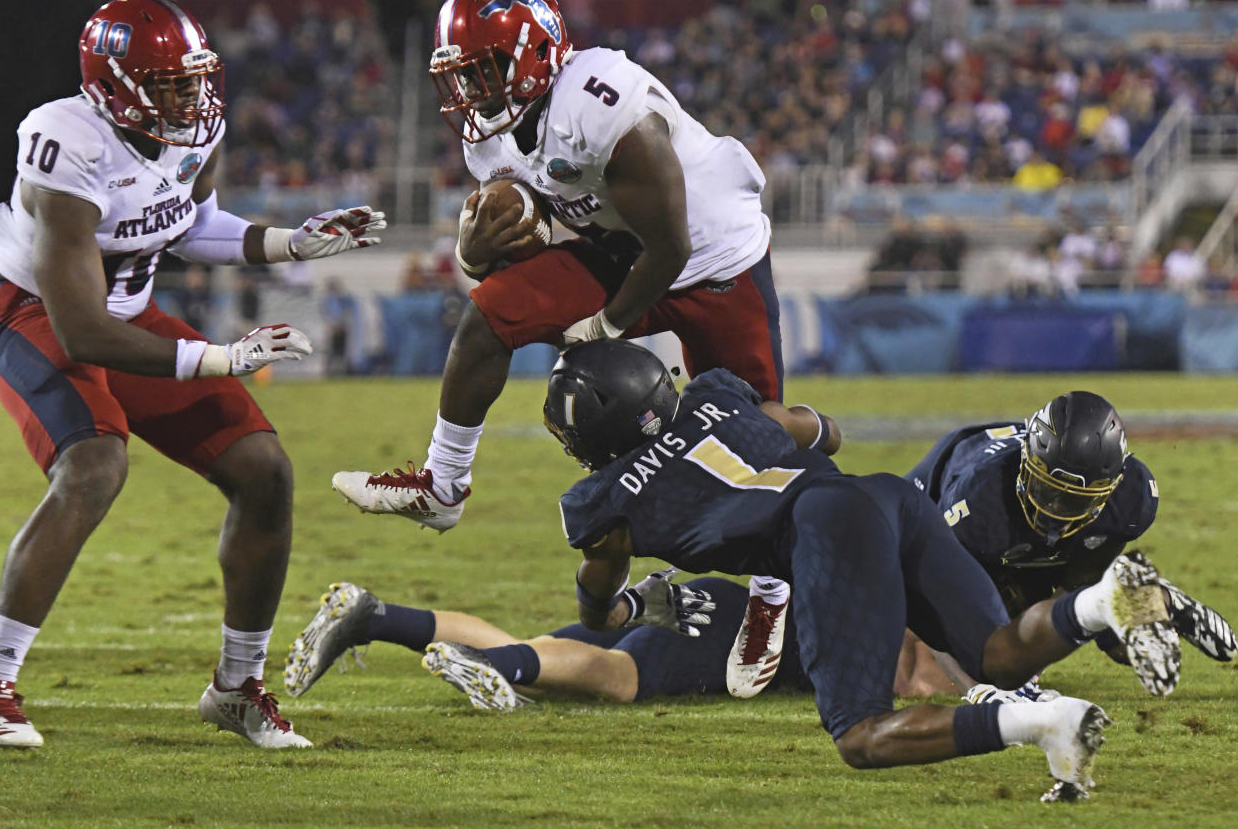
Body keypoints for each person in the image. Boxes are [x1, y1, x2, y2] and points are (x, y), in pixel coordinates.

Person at [331, 0, 797, 697]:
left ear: (534, 55)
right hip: (615, 247)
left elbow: (668, 245)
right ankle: (443, 482)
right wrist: (474, 251)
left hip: (709, 261)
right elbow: (522, 233)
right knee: (489, 314)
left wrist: (604, 326)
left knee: (762, 435)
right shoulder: (489, 133)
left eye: (483, 71)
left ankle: (772, 589)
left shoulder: (604, 103)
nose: (471, 92)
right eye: (462, 75)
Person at [542, 340, 1183, 802]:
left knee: (861, 737)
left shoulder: (606, 505)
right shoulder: (716, 396)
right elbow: (824, 433)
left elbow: (595, 608)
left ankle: (1045, 723)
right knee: (1000, 655)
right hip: (884, 496)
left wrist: (631, 609)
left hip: (823, 531)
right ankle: (1101, 603)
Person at [0, 0, 386, 750]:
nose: (190, 97)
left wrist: (292, 244)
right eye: (169, 83)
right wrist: (221, 356)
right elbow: (80, 327)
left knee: (264, 469)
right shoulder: (61, 142)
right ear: (111, 84)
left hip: (130, 307)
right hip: (35, 311)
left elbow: (192, 224)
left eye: (192, 78)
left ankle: (237, 687)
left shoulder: (198, 127)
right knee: (94, 463)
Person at [903, 391, 1236, 697]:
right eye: (1047, 491)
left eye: (1074, 501)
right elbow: (934, 608)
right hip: (955, 519)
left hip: (1024, 541)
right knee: (934, 671)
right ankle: (1125, 596)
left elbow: (1075, 583)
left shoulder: (1130, 496)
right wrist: (982, 689)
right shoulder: (976, 503)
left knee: (1118, 648)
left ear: (1110, 489)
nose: (1054, 512)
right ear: (1025, 466)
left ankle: (1137, 598)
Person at [281, 578, 960, 710]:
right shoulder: (911, 627)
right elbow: (919, 680)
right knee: (616, 675)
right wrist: (987, 694)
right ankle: (484, 665)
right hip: (736, 630)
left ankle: (376, 616)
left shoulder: (873, 577)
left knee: (541, 649)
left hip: (712, 598)